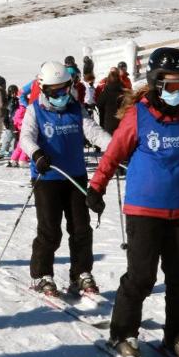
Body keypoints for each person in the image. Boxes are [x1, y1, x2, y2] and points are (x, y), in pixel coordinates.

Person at [86, 48, 179, 357]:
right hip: (144, 210)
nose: (178, 91)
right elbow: (113, 153)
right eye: (172, 85)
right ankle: (123, 333)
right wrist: (97, 186)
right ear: (155, 82)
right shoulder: (138, 115)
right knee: (141, 277)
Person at [19, 61, 112, 297]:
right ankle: (42, 274)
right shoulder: (35, 110)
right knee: (50, 230)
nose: (61, 95)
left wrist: (115, 147)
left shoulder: (75, 108)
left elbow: (93, 131)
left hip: (75, 176)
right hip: (47, 177)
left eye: (65, 89)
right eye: (55, 91)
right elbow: (26, 138)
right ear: (44, 89)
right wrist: (37, 154)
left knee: (81, 228)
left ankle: (81, 273)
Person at [95, 67, 125, 135]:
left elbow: (98, 104)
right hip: (123, 124)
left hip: (109, 125)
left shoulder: (106, 92)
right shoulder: (124, 91)